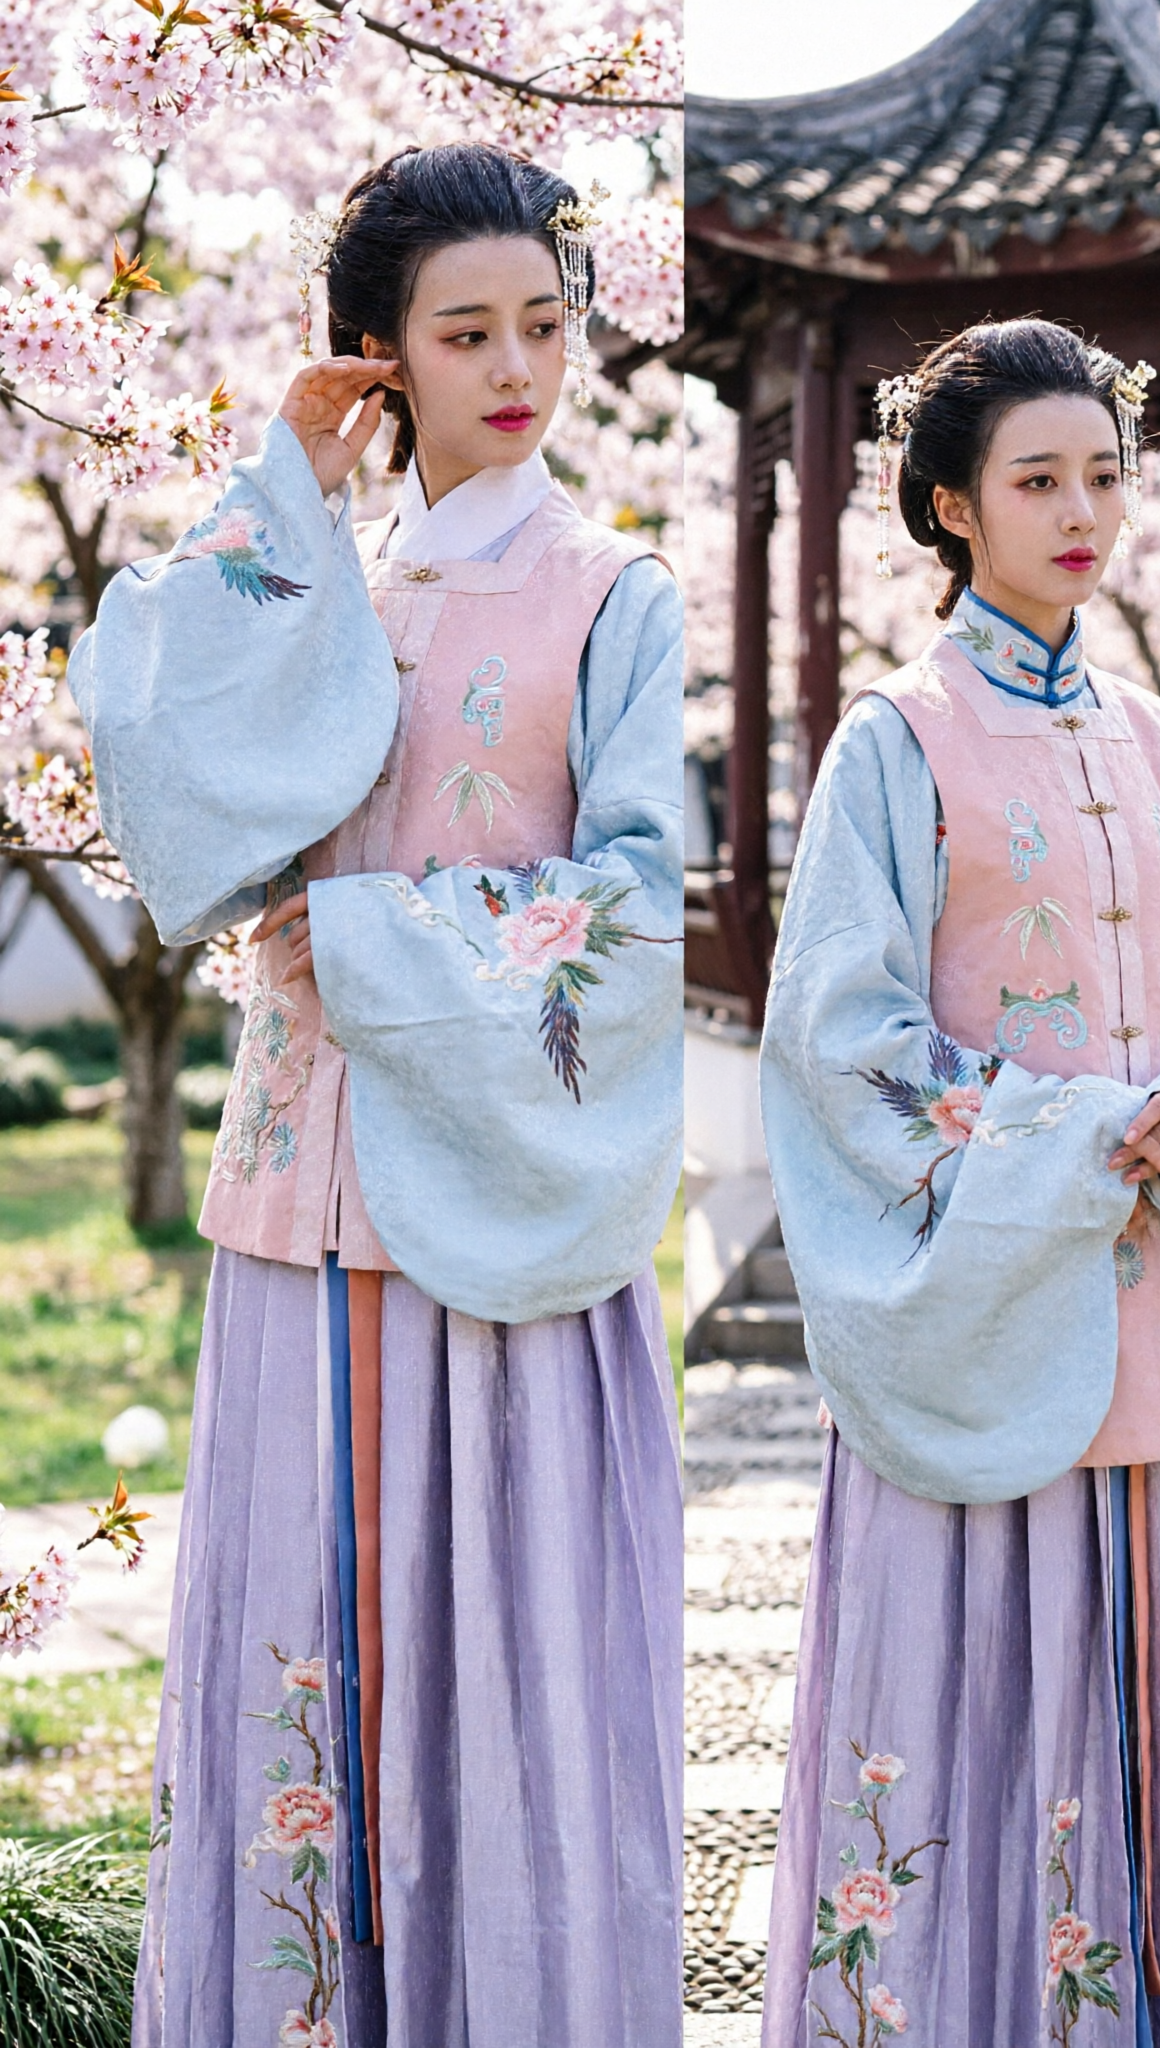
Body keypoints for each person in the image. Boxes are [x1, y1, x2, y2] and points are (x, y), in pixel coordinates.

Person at [68, 142, 685, 2046]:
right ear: (381, 355)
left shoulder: (612, 594)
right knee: (301, 1669)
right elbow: (155, 748)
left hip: (500, 1209)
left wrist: (379, 933)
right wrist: (286, 480)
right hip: (292, 1211)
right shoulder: (314, 573)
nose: (514, 367)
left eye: (542, 327)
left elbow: (647, 902)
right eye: (462, 331)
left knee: (499, 1674)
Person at [755, 318, 1160, 2046]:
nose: (1080, 509)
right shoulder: (894, 741)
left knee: (1136, 1710)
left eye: (1102, 475)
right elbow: (841, 1033)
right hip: (980, 1303)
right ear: (949, 507)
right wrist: (1070, 1136)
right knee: (970, 1694)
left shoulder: (1149, 736)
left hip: (1148, 1314)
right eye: (1034, 479)